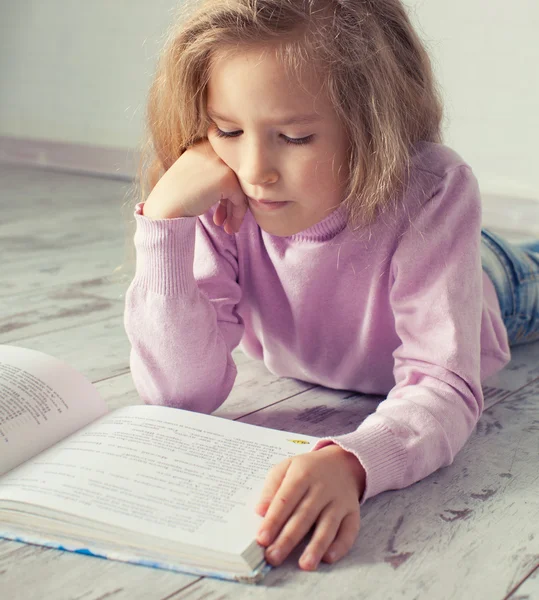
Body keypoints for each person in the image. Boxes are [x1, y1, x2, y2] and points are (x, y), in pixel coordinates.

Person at [123, 0, 539, 573]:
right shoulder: (224, 199)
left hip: (497, 285)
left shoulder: (434, 188)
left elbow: (443, 384)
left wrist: (354, 461)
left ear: (373, 122)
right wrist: (165, 223)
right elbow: (179, 395)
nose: (255, 170)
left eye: (294, 137)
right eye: (228, 130)